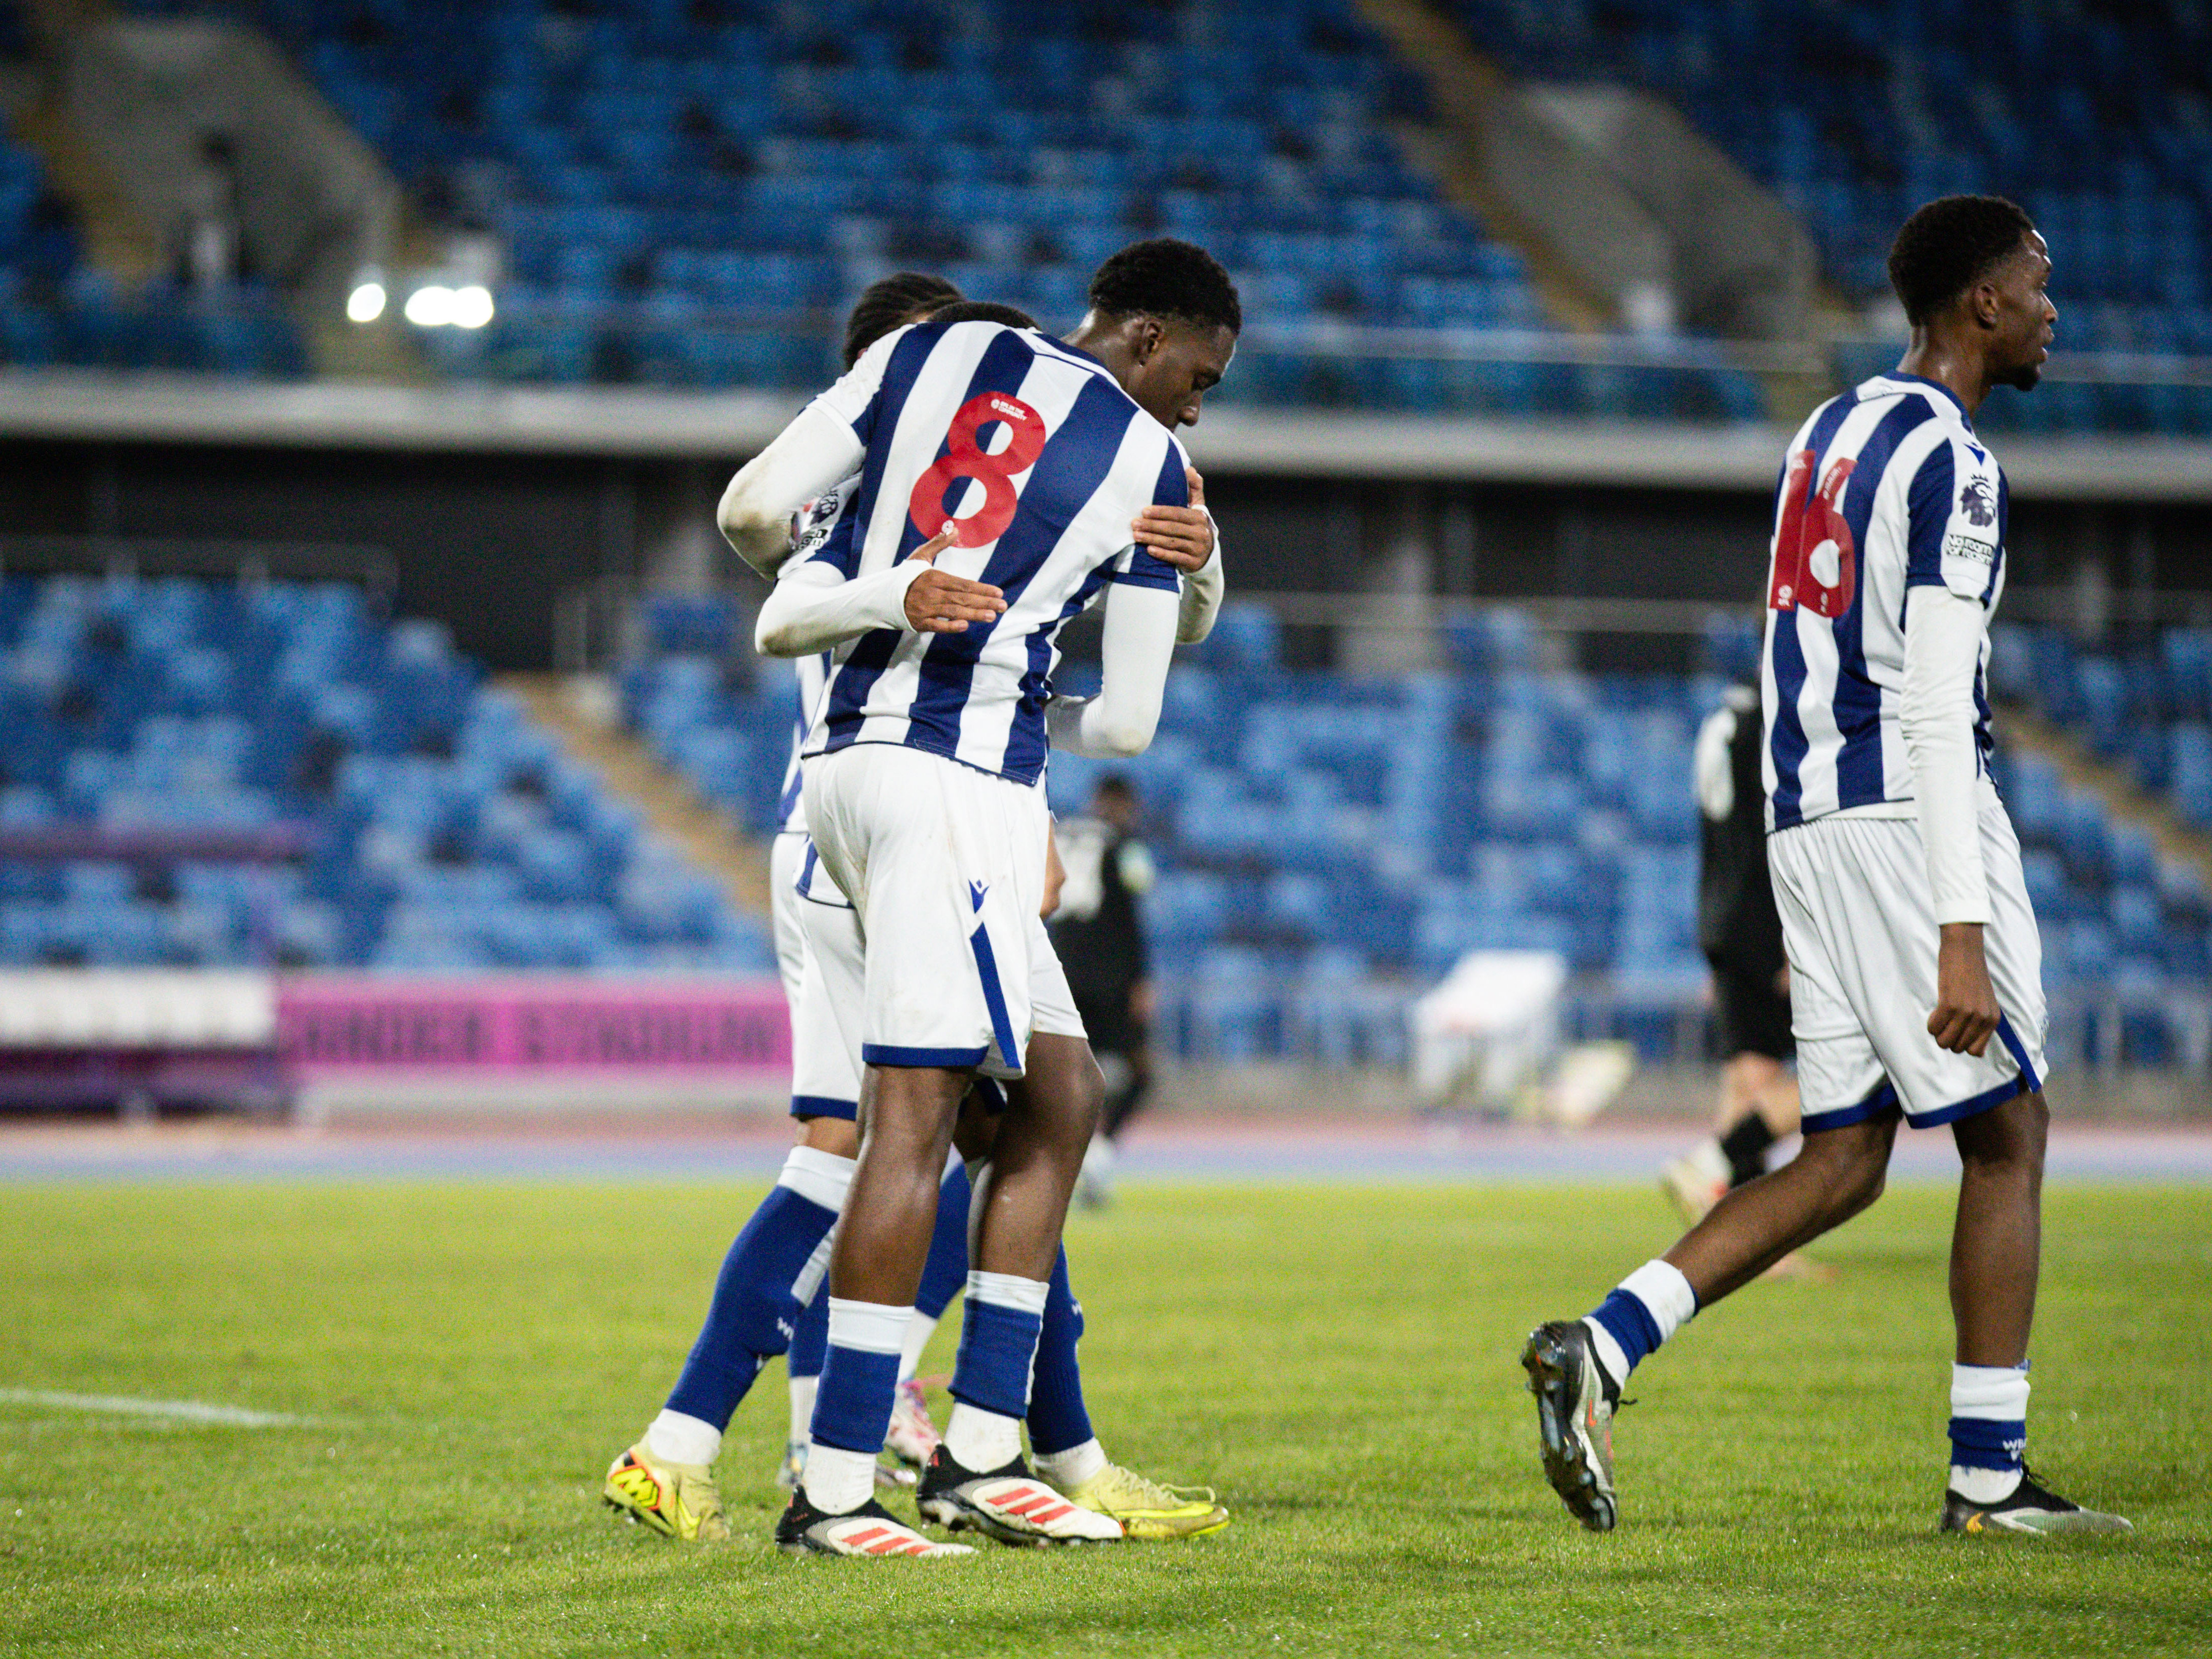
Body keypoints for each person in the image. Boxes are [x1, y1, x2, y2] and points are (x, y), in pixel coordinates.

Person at [1521, 196, 2129, 1538]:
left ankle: (1602, 1342)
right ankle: (1986, 1477)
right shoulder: (1957, 459)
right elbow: (1923, 690)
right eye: (2035, 283)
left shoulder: (1829, 426)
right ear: (1980, 303)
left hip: (1799, 813)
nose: (2048, 308)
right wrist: (1956, 919)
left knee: (1844, 1151)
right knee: (2007, 1130)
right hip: (1908, 813)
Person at [601, 278, 1224, 1547]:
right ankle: (837, 1475)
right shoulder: (1137, 461)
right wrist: (1155, 591)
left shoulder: (886, 451)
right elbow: (1129, 721)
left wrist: (899, 595)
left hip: (824, 809)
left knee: (1040, 1105)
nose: (1198, 412)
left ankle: (988, 1448)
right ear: (1150, 341)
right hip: (946, 800)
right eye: (1200, 382)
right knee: (904, 1130)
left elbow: (760, 542)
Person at [1660, 682, 1805, 1222]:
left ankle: (1734, 1231)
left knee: (1746, 1081)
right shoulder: (1782, 716)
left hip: (1723, 916)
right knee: (1851, 1071)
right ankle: (1717, 1171)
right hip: (1766, 920)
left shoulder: (1725, 716)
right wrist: (1794, 935)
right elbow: (1782, 829)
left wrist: (1717, 941)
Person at [1049, 774, 1157, 1207]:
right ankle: (1099, 1152)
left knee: (1065, 1076)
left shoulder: (1063, 831)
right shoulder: (1126, 844)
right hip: (1110, 979)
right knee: (1140, 1072)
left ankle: (1071, 1159)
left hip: (1058, 973)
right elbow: (1133, 911)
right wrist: (1141, 979)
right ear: (1124, 803)